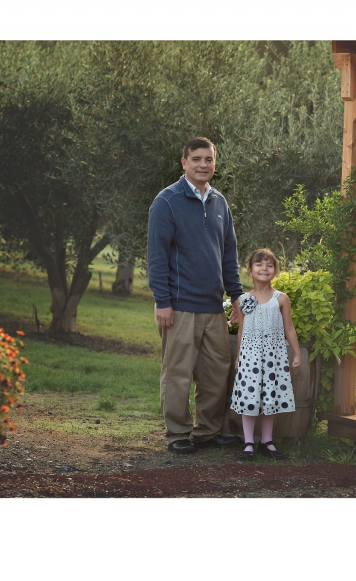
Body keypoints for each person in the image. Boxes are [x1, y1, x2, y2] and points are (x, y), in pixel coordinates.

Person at [148, 136, 243, 454]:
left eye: (209, 160)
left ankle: (208, 431)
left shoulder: (220, 202)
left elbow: (228, 253)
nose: (204, 165)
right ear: (184, 162)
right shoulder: (167, 202)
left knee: (216, 372)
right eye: (197, 159)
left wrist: (237, 296)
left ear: (215, 164)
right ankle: (177, 433)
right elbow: (157, 257)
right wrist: (162, 302)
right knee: (177, 374)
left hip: (213, 306)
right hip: (179, 307)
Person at [230, 248, 301, 460]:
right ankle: (249, 442)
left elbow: (289, 328)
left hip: (273, 359)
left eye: (269, 265)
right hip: (249, 357)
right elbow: (241, 331)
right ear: (250, 271)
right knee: (250, 398)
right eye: (259, 265)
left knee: (269, 398)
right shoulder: (244, 300)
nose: (264, 268)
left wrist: (296, 353)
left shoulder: (281, 299)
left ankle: (267, 442)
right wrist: (238, 357)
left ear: (275, 271)